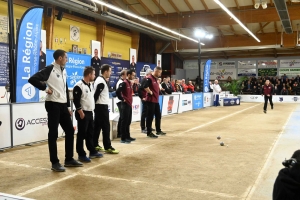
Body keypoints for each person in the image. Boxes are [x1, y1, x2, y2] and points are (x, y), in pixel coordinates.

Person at [28, 49, 82, 172]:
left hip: (63, 105)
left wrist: (68, 106)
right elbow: (32, 79)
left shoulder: (64, 70)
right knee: (53, 134)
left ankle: (69, 159)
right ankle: (55, 162)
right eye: (66, 58)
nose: (67, 60)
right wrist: (45, 88)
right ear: (60, 58)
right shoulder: (49, 69)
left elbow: (65, 88)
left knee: (69, 130)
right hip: (53, 104)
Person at [73, 67, 103, 163]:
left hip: (90, 112)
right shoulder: (79, 85)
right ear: (89, 74)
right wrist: (80, 112)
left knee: (90, 133)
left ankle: (92, 151)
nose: (94, 76)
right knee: (81, 135)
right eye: (94, 74)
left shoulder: (90, 85)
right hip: (83, 113)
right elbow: (76, 100)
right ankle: (81, 154)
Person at [93, 64, 119, 154]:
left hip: (100, 106)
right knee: (106, 127)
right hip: (101, 107)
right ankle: (107, 146)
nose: (111, 73)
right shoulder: (101, 81)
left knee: (97, 127)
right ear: (105, 72)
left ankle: (95, 144)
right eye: (110, 71)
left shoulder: (101, 80)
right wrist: (94, 106)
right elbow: (96, 95)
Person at [142, 67, 167, 138]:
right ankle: (149, 132)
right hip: (150, 101)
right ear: (156, 71)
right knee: (150, 117)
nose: (160, 74)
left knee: (158, 115)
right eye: (159, 72)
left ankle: (158, 130)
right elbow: (145, 86)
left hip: (155, 101)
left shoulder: (155, 79)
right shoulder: (150, 78)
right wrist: (150, 92)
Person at [116, 69, 136, 143]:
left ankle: (127, 136)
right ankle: (123, 138)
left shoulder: (129, 83)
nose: (134, 76)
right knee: (124, 122)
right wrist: (122, 99)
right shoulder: (124, 83)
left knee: (128, 121)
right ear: (128, 75)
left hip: (129, 104)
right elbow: (118, 91)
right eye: (133, 75)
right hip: (125, 104)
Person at [138, 69, 155, 133]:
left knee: (149, 113)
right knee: (144, 113)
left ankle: (148, 127)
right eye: (151, 74)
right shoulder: (144, 80)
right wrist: (142, 97)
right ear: (147, 74)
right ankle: (143, 128)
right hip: (145, 99)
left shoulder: (149, 80)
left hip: (148, 99)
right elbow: (139, 89)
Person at [115, 70, 127, 138]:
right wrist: (122, 99)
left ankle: (120, 132)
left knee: (122, 117)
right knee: (122, 117)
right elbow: (119, 92)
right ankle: (119, 132)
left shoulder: (122, 82)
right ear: (122, 75)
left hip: (120, 101)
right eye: (126, 74)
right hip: (120, 101)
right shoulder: (120, 82)